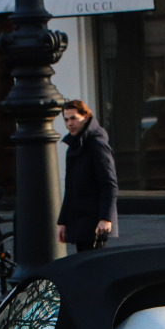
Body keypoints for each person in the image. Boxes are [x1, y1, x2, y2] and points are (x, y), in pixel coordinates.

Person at [57, 99, 118, 252]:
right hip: (79, 219)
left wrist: (106, 218)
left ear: (85, 117)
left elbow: (109, 183)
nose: (69, 123)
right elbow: (70, 188)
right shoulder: (74, 145)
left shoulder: (97, 145)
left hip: (94, 221)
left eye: (73, 118)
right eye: (66, 119)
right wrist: (63, 222)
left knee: (94, 269)